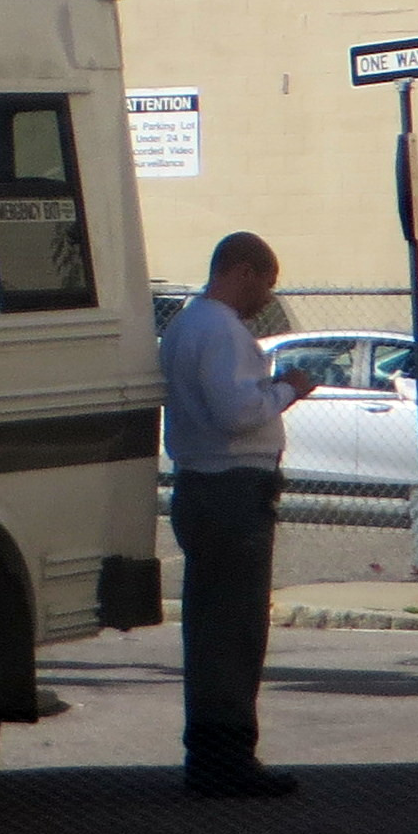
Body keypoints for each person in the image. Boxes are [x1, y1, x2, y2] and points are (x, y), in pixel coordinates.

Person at [157, 231, 317, 799]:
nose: (264, 300)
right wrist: (287, 390)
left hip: (199, 483)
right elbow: (237, 413)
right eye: (265, 285)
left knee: (209, 626)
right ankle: (226, 758)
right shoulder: (222, 330)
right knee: (235, 628)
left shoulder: (184, 324)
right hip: (232, 489)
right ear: (243, 271)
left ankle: (209, 751)